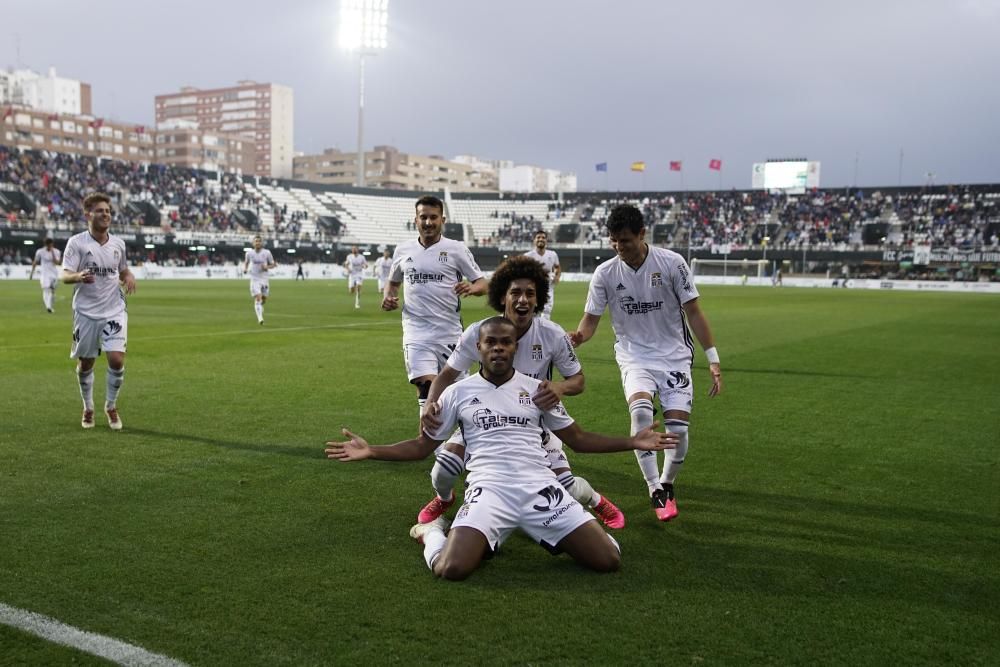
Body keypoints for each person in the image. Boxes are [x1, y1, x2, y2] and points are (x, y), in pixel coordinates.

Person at [325, 317, 677, 581]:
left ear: (515, 348)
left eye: (505, 343)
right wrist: (372, 451)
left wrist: (633, 440)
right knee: (451, 568)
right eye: (490, 342)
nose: (497, 348)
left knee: (608, 561)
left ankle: (557, 531)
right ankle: (433, 532)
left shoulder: (539, 390)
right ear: (478, 348)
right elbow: (421, 447)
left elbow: (579, 440)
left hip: (540, 488)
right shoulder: (458, 393)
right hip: (488, 491)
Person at [418, 256, 626, 529]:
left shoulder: (552, 335)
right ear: (502, 297)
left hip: (533, 421)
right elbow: (446, 375)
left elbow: (578, 380)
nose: (523, 300)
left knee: (566, 487)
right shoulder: (480, 333)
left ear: (538, 299)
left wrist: (559, 387)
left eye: (530, 294)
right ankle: (444, 498)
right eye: (515, 292)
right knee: (442, 469)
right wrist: (429, 403)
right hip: (483, 417)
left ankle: (595, 499)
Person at [570, 204, 723, 522]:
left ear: (642, 234)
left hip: (674, 357)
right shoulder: (605, 273)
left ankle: (667, 484)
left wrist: (713, 359)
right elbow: (590, 322)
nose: (618, 247)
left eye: (624, 240)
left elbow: (694, 312)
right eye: (613, 241)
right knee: (640, 413)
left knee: (677, 429)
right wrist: (577, 338)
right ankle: (654, 487)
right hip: (634, 357)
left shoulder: (671, 263)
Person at [382, 195, 487, 416]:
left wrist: (472, 288)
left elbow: (482, 283)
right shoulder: (403, 250)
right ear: (415, 220)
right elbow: (393, 282)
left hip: (448, 331)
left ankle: (458, 441)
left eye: (433, 217)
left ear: (442, 219)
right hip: (415, 331)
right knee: (425, 385)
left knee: (454, 390)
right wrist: (389, 297)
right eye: (423, 217)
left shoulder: (456, 249)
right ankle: (429, 441)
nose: (428, 222)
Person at [60, 193, 136, 430]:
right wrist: (77, 276)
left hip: (114, 308)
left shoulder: (118, 244)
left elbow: (122, 270)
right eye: (101, 210)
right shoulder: (77, 243)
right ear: (88, 214)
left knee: (116, 359)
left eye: (108, 211)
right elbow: (64, 275)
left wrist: (129, 276)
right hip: (86, 312)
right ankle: (88, 406)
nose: (106, 214)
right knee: (86, 363)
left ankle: (111, 406)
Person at [523, 230, 560, 319]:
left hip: (548, 287)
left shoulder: (552, 254)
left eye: (543, 237)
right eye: (538, 237)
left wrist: (557, 276)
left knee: (546, 312)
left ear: (546, 240)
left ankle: (543, 331)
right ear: (534, 240)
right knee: (533, 312)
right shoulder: (527, 256)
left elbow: (557, 267)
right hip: (533, 288)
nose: (541, 239)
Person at [243, 236, 276, 325]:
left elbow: (273, 264)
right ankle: (260, 319)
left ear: (261, 243)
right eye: (256, 241)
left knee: (264, 299)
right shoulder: (249, 253)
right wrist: (245, 269)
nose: (257, 243)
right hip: (255, 278)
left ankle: (259, 306)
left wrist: (267, 267)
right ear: (253, 243)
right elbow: (246, 262)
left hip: (264, 279)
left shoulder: (267, 253)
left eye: (259, 241)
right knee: (258, 297)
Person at [29, 237, 62, 313]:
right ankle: (48, 307)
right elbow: (35, 262)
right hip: (44, 274)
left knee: (52, 291)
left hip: (53, 274)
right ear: (45, 245)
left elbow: (57, 262)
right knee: (46, 289)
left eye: (50, 245)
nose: (49, 247)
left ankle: (50, 305)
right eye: (48, 245)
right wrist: (32, 273)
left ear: (52, 244)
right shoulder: (40, 252)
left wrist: (52, 252)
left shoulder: (56, 251)